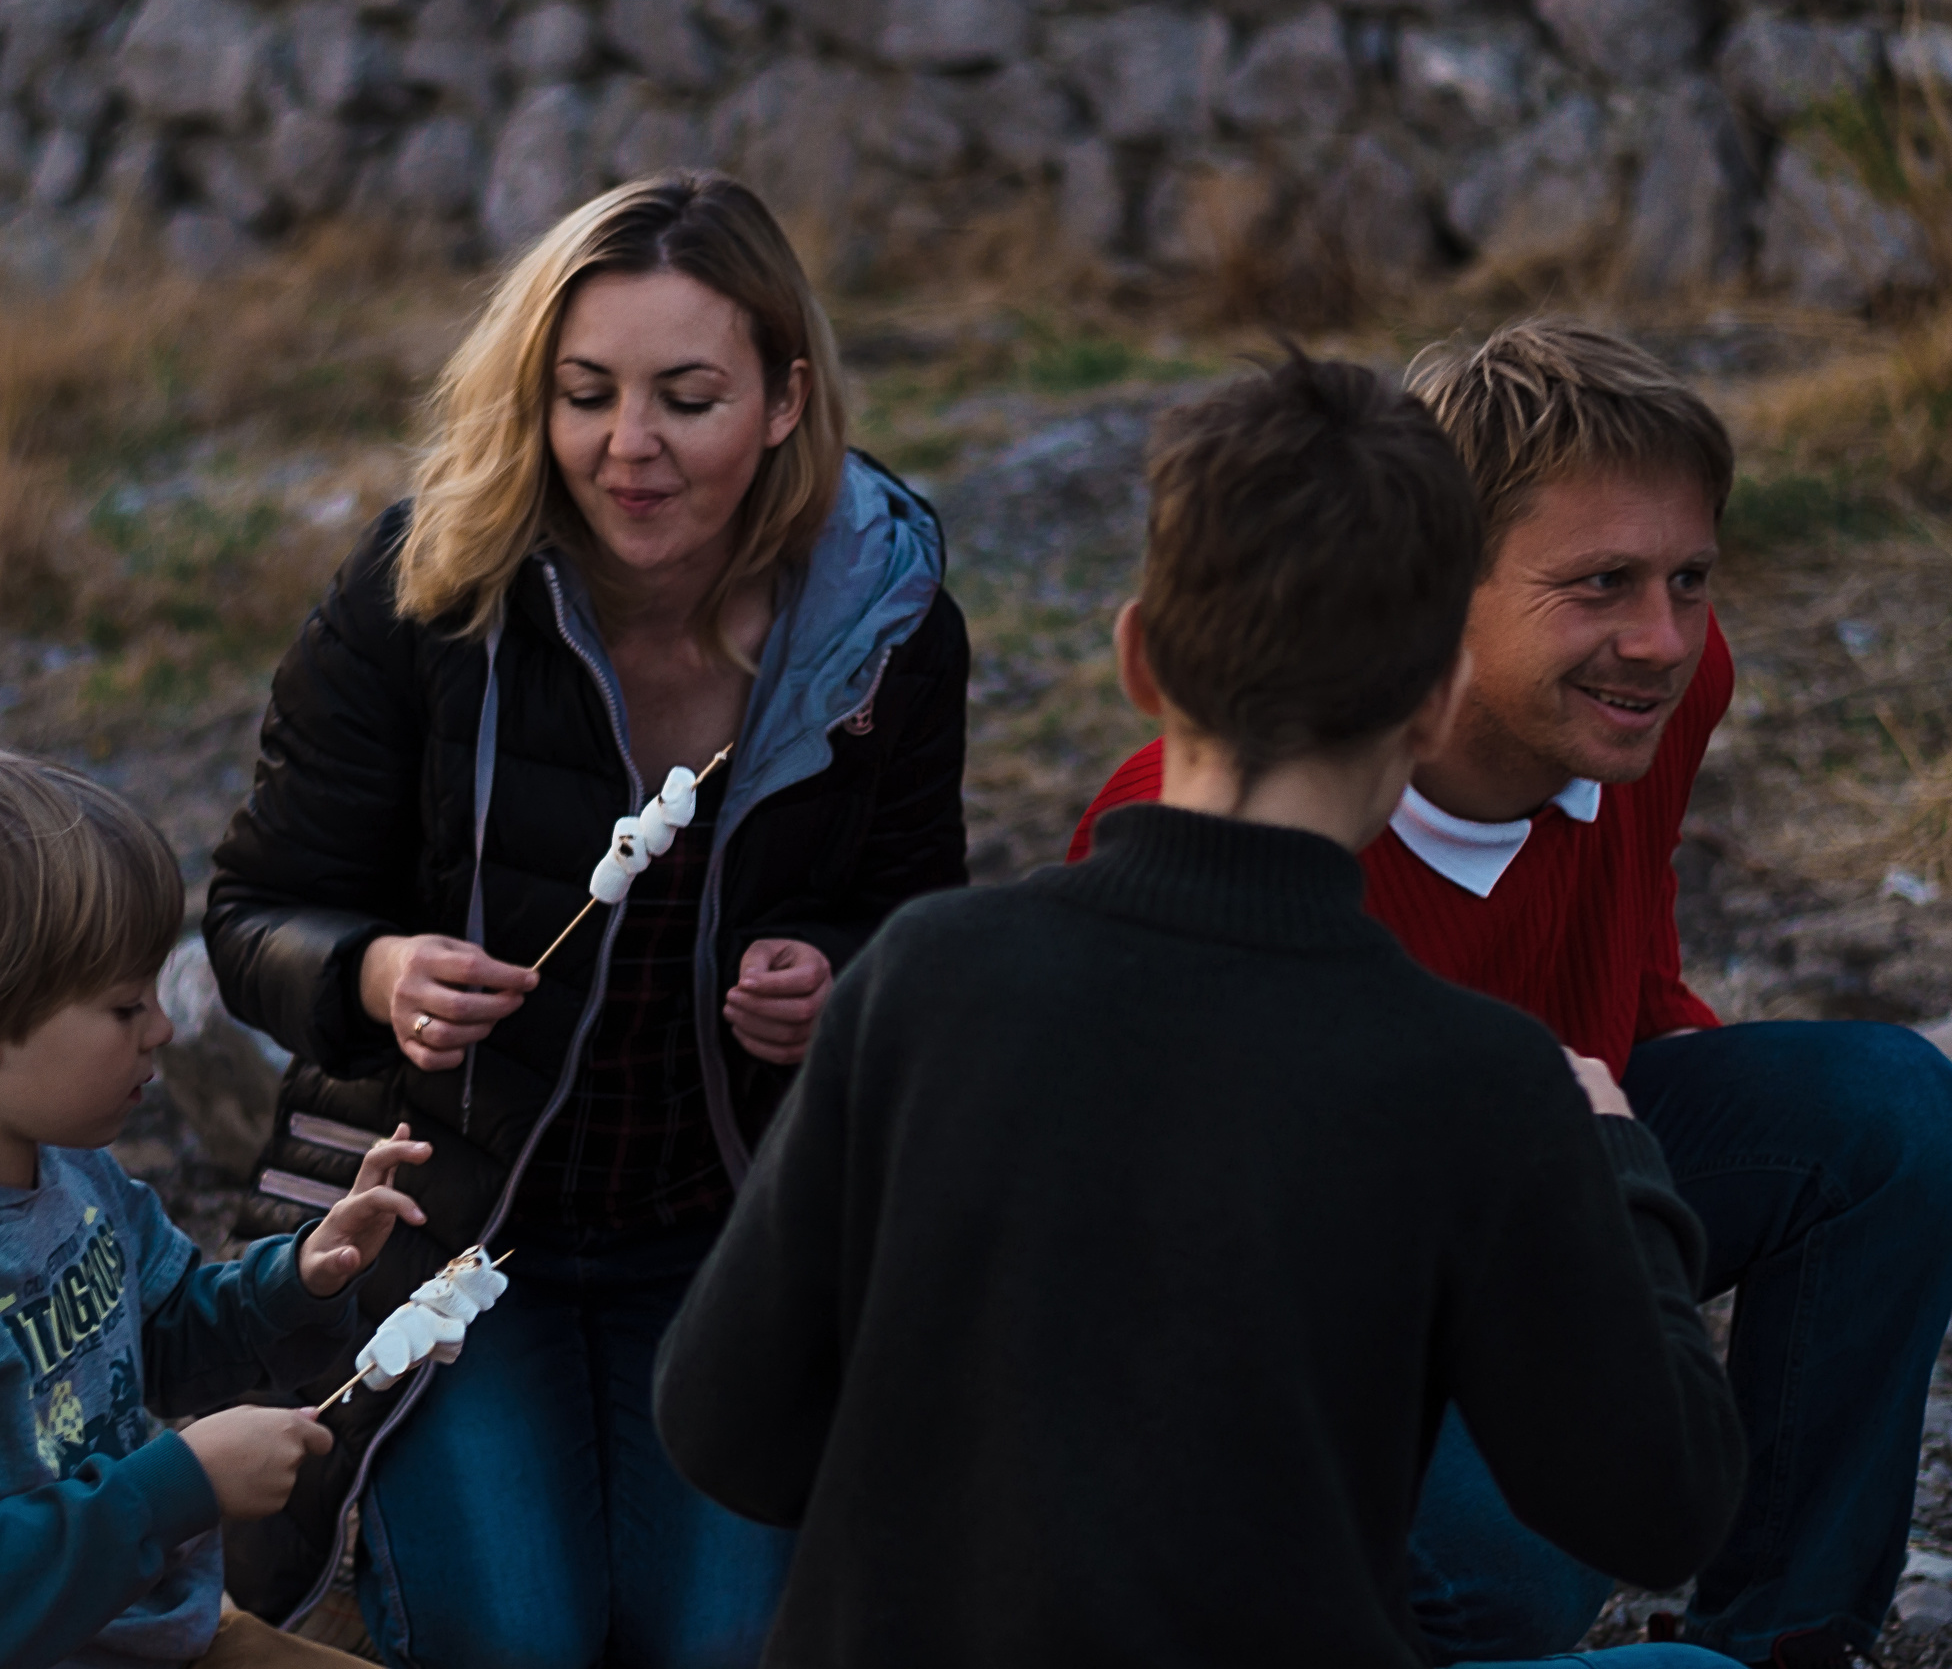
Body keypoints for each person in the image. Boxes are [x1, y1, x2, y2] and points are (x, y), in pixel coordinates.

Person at [654, 352, 1748, 1668]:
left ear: (1140, 660)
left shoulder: (921, 974)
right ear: (1440, 697)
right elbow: (1665, 1501)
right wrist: (1623, 1167)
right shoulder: (1482, 1075)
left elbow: (719, 1422)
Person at [1068, 320, 1952, 1668]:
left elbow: (1635, 943)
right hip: (1334, 1325)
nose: (1658, 638)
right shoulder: (1227, 817)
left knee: (1884, 1110)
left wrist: (1659, 1205)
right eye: (1599, 583)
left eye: (1689, 577)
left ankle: (1788, 1638)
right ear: (1432, 587)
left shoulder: (1658, 689)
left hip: (1556, 1183)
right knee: (1512, 1558)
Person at [201, 171, 969, 1667]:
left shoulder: (885, 628)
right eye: (587, 394)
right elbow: (250, 914)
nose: (632, 448)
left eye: (688, 397)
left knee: (719, 1644)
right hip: (451, 1231)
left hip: (733, 1236)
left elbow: (922, 927)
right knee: (526, 1636)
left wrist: (847, 979)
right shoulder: (426, 592)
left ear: (783, 397)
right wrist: (371, 972)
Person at [0, 735, 424, 1669]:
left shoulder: (66, 1169)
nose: (166, 1030)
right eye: (123, 1007)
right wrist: (175, 1487)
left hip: (128, 1631)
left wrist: (299, 1279)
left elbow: (162, 1333)